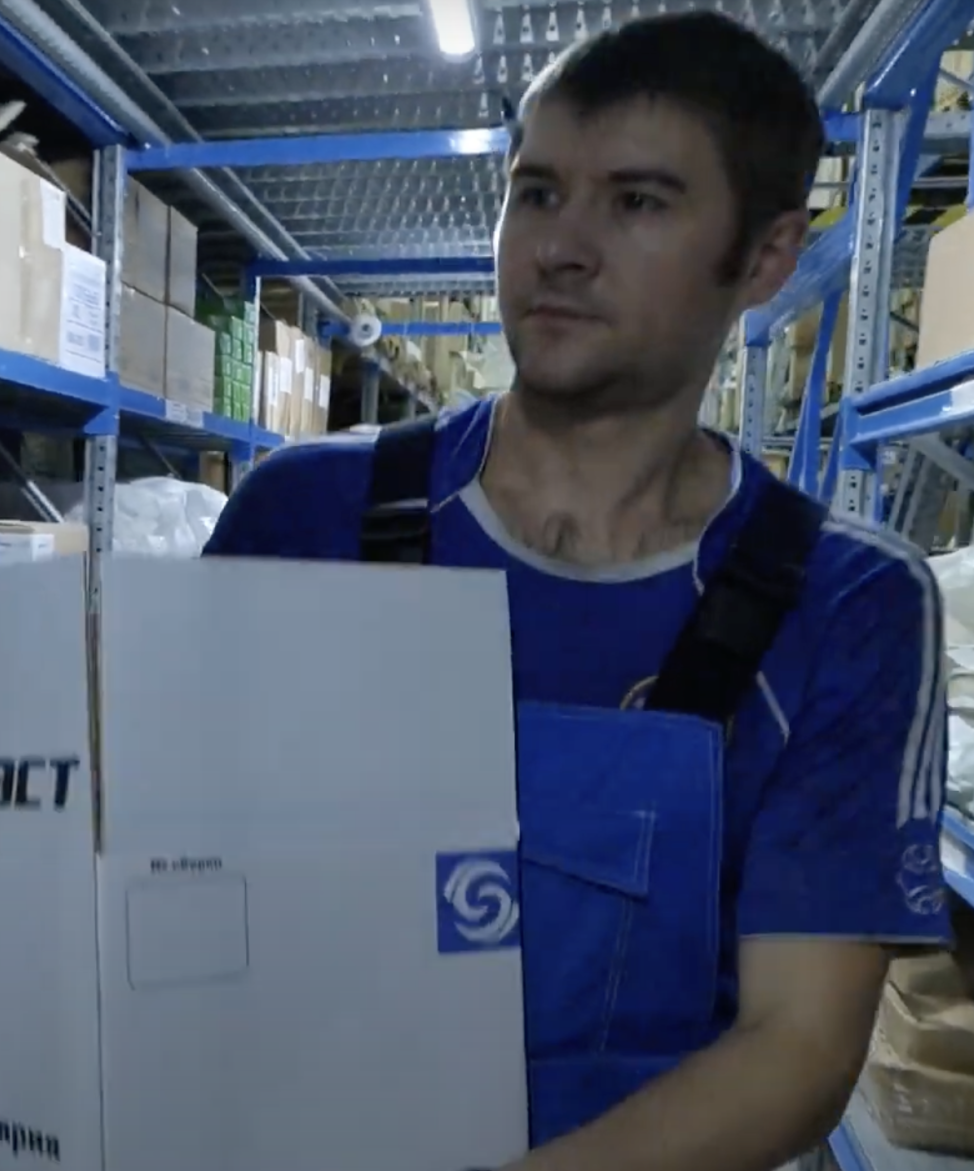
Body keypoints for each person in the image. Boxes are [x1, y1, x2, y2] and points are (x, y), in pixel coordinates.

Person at [205, 13, 948, 1171]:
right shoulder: (303, 520)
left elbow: (799, 1043)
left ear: (766, 257)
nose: (560, 247)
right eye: (537, 193)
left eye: (637, 201)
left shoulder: (846, 601)